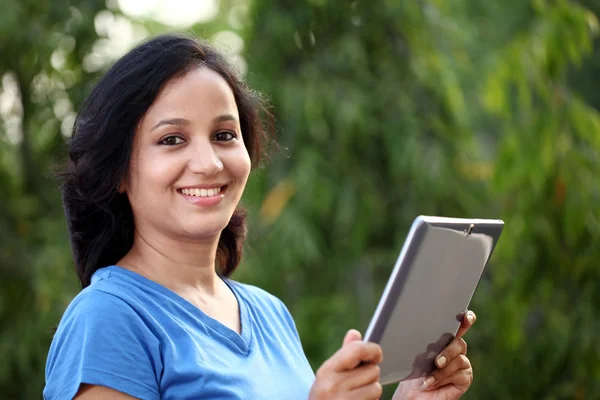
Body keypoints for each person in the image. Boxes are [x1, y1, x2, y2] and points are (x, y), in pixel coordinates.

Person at [44, 34, 475, 400]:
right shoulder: (106, 319)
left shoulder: (269, 313)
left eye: (224, 135)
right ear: (118, 169)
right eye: (172, 139)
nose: (209, 162)